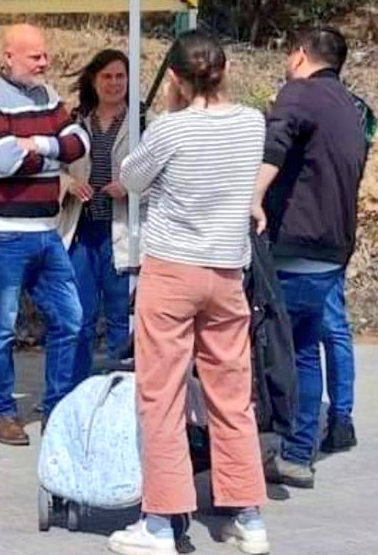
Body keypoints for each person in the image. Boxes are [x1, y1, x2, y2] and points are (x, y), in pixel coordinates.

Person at [109, 31, 269, 555]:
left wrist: (163, 116)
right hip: (227, 272)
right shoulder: (252, 122)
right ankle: (246, 514)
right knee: (231, 396)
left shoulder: (168, 129)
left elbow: (130, 178)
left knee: (161, 396)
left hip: (173, 270)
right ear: (225, 71)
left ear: (174, 78)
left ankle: (160, 520)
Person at [252, 27, 366, 489]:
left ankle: (245, 451)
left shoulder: (299, 92)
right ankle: (299, 453)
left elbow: (276, 140)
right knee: (303, 350)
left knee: (265, 350)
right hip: (331, 251)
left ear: (299, 56)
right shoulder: (349, 107)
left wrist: (254, 196)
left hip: (293, 247)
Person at [0, 23, 87, 446]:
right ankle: (2, 413)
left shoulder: (48, 96)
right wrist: (49, 148)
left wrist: (35, 143)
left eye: (44, 55)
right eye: (35, 56)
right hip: (2, 234)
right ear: (8, 57)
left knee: (71, 320)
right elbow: (5, 162)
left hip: (46, 232)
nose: (44, 62)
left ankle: (57, 407)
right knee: (3, 328)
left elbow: (79, 144)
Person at [58, 48, 140, 384]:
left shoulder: (142, 123)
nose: (114, 83)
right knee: (80, 317)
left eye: (120, 76)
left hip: (121, 232)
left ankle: (118, 392)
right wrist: (69, 184)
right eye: (106, 76)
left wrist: (132, 187)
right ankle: (77, 389)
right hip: (82, 231)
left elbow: (161, 177)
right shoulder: (75, 123)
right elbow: (53, 169)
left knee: (121, 316)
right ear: (93, 80)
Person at [319, 87, 376, 455]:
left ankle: (338, 417)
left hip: (318, 233)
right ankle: (338, 417)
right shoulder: (357, 109)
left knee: (328, 325)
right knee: (330, 326)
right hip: (335, 229)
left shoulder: (306, 104)